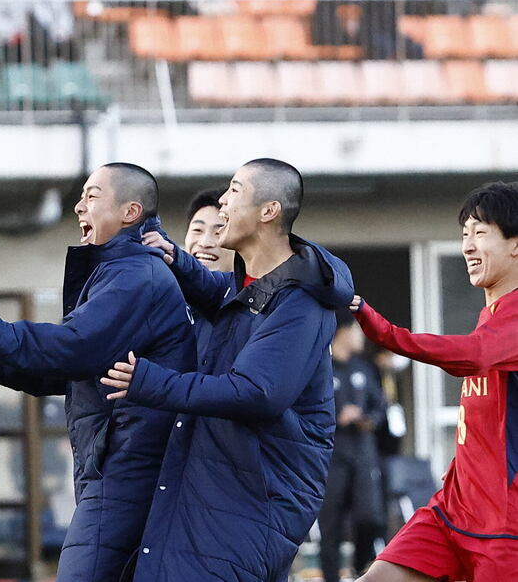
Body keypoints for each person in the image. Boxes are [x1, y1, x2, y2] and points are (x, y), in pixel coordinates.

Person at [0, 162, 197, 582]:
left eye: (91, 196)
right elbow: (52, 373)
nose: (77, 207)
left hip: (126, 468)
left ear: (130, 212)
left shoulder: (136, 275)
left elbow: (72, 350)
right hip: (113, 465)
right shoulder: (118, 272)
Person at [101, 158, 354, 582]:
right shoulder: (252, 283)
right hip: (225, 489)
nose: (222, 203)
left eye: (235, 191)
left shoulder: (300, 302)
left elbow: (255, 392)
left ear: (268, 211)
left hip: (258, 497)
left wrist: (147, 381)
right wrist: (179, 262)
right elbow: (223, 297)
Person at [352, 181, 518, 582]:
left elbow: (472, 356)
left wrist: (384, 332)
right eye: (465, 235)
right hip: (453, 508)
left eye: (481, 233)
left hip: (504, 526)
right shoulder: (490, 316)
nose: (468, 246)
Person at [318, 311, 387, 582]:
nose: (362, 336)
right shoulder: (322, 366)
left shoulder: (365, 368)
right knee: (330, 526)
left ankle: (360, 571)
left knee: (370, 518)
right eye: (358, 330)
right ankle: (331, 577)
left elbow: (380, 409)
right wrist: (337, 417)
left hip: (363, 455)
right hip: (332, 457)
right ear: (344, 332)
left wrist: (366, 418)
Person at [182, 188, 234, 362]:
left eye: (218, 232)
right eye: (197, 230)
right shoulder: (164, 299)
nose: (205, 243)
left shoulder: (248, 312)